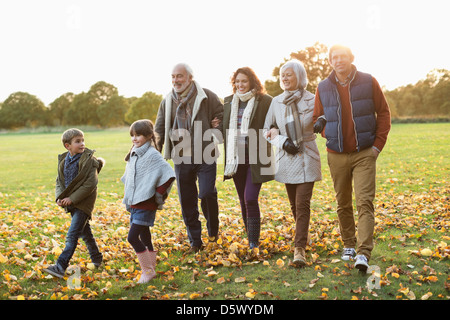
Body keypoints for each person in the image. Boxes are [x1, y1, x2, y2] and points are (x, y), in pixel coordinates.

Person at [313, 44, 391, 272]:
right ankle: (348, 245)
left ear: (351, 58)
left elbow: (384, 112)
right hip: (336, 154)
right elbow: (318, 116)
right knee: (343, 202)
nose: (339, 61)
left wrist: (377, 146)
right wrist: (323, 128)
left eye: (343, 57)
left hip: (364, 153)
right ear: (330, 62)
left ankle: (363, 253)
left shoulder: (368, 81)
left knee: (365, 202)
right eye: (334, 58)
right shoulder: (323, 87)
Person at [154, 63, 224, 253]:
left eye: (180, 76)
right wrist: (154, 154)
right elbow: (159, 128)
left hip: (205, 152)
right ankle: (195, 241)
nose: (176, 80)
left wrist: (215, 129)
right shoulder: (167, 100)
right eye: (173, 76)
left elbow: (221, 115)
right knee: (187, 200)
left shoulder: (207, 96)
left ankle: (213, 231)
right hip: (181, 154)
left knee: (207, 193)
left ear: (190, 78)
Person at [264, 60, 322, 267]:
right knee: (294, 206)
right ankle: (304, 236)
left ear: (300, 76)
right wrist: (282, 141)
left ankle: (299, 250)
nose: (285, 78)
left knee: (302, 204)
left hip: (307, 155)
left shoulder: (312, 99)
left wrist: (321, 122)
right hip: (286, 158)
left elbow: (323, 120)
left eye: (289, 74)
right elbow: (266, 130)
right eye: (283, 75)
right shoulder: (276, 102)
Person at [222, 67, 274, 249]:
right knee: (242, 200)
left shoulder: (265, 101)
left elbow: (274, 121)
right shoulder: (229, 102)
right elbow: (224, 128)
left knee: (250, 198)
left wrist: (274, 129)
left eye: (243, 81)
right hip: (236, 159)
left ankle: (253, 242)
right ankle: (251, 237)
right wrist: (216, 124)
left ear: (252, 81)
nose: (240, 85)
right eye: (237, 81)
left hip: (256, 157)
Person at [43, 128, 104, 278]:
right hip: (72, 203)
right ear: (67, 146)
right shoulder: (64, 161)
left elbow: (90, 185)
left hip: (83, 203)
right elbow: (59, 182)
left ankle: (60, 266)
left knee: (72, 236)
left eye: (83, 140)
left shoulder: (89, 161)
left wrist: (72, 198)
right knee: (86, 233)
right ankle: (97, 259)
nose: (82, 144)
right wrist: (59, 197)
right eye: (78, 141)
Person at [121, 119, 175, 283]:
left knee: (132, 238)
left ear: (149, 135)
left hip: (146, 203)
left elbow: (168, 173)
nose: (134, 139)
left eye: (138, 135)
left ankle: (147, 271)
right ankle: (151, 268)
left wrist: (158, 194)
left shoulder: (152, 154)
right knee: (145, 236)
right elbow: (131, 178)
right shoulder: (134, 152)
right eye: (132, 135)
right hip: (135, 202)